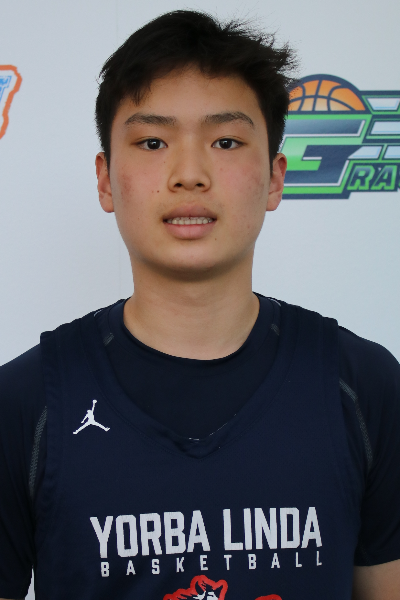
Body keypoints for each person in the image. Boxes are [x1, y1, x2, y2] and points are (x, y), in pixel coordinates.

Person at [0, 10, 399, 600]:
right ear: (106, 180)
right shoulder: (26, 404)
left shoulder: (363, 387)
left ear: (275, 178)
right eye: (153, 142)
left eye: (226, 141)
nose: (189, 174)